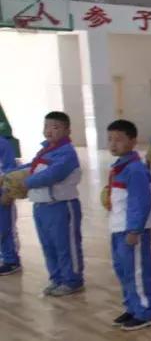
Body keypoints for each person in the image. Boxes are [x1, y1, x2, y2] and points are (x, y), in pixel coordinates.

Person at [104, 119, 151, 330]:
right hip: (118, 228)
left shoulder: (135, 169)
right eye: (110, 139)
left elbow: (140, 201)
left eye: (118, 139)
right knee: (123, 270)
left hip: (131, 231)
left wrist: (135, 229)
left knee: (137, 271)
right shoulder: (120, 167)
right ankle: (132, 306)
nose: (113, 144)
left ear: (133, 141)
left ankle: (147, 311)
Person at [21, 111, 84, 296]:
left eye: (55, 127)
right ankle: (57, 279)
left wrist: (24, 182)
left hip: (61, 206)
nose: (49, 131)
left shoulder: (67, 153)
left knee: (65, 245)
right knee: (48, 245)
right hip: (41, 206)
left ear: (67, 130)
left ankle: (72, 280)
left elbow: (52, 175)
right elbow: (31, 167)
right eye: (46, 126)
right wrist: (9, 174)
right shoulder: (46, 150)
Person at [0, 135, 20, 276]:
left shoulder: (3, 144)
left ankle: (11, 260)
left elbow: (11, 171)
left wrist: (8, 193)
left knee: (5, 227)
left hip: (2, 195)